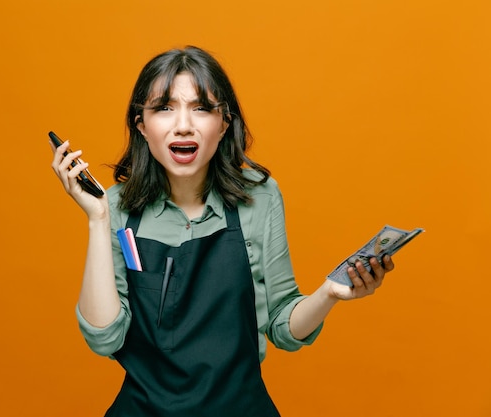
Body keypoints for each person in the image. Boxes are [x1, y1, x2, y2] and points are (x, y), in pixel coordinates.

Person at [50, 46, 394, 417]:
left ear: (224, 124)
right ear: (142, 126)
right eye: (164, 108)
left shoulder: (259, 197)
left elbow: (282, 326)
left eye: (201, 108)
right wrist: (97, 219)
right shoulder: (116, 208)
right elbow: (104, 338)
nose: (183, 124)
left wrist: (329, 293)